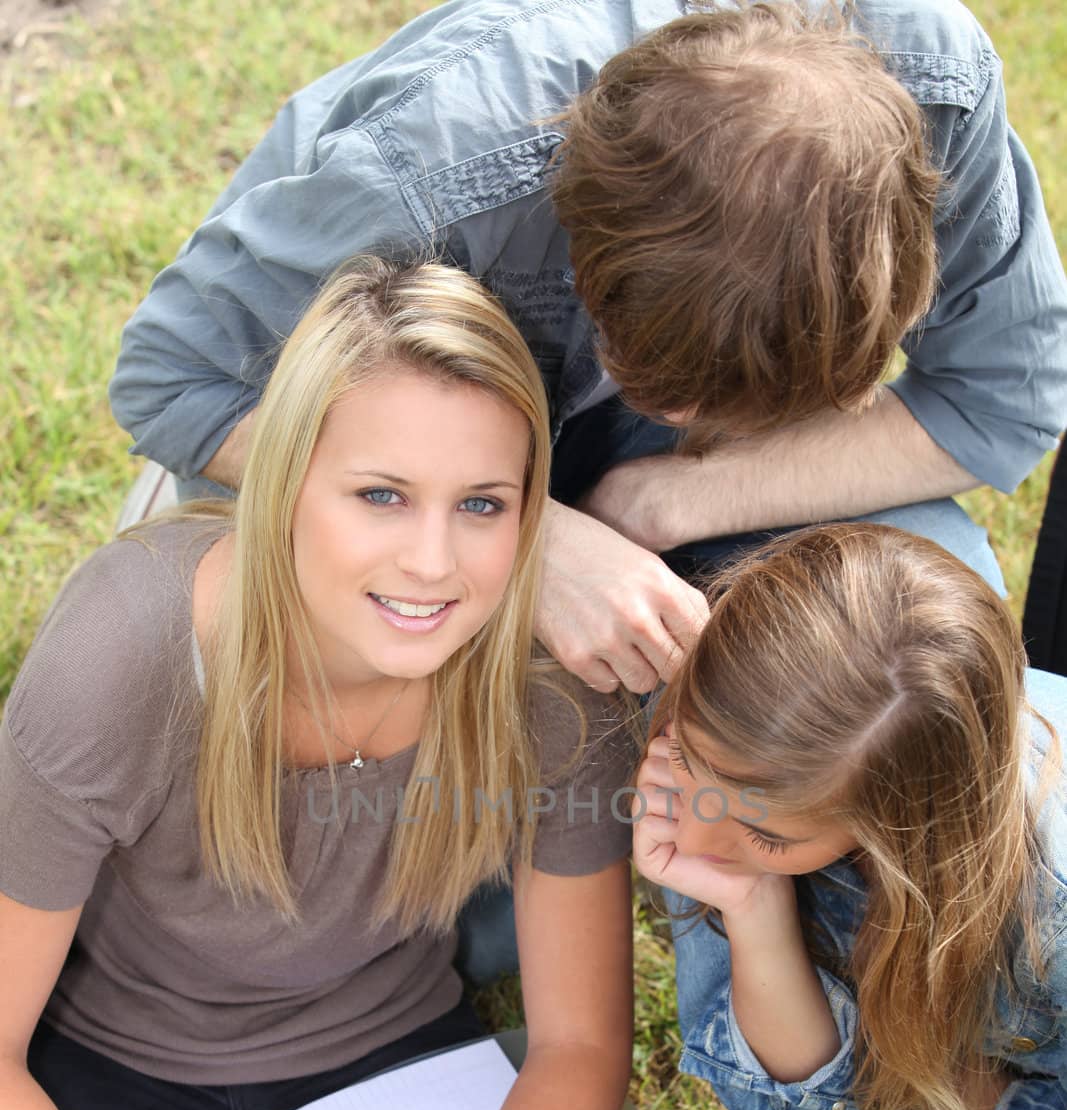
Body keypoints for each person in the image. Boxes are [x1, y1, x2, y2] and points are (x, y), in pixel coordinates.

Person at [0, 257, 775, 1110]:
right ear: (284, 483)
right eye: (378, 494)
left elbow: (577, 1045)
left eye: (482, 505)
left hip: (389, 1074)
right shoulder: (127, 648)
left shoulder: (546, 678)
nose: (431, 564)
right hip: (115, 1081)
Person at [108, 0, 1067, 697]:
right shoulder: (445, 163)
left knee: (905, 688)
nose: (682, 419)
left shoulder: (938, 89)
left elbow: (998, 399)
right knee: (454, 916)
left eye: (722, 403)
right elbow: (174, 377)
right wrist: (532, 541)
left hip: (642, 482)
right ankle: (195, 536)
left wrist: (668, 498)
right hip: (389, 445)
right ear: (582, 223)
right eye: (650, 365)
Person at [633, 523, 1067, 1110]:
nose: (697, 830)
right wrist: (752, 904)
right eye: (692, 760)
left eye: (769, 839)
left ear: (911, 822)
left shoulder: (1053, 896)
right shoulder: (752, 751)